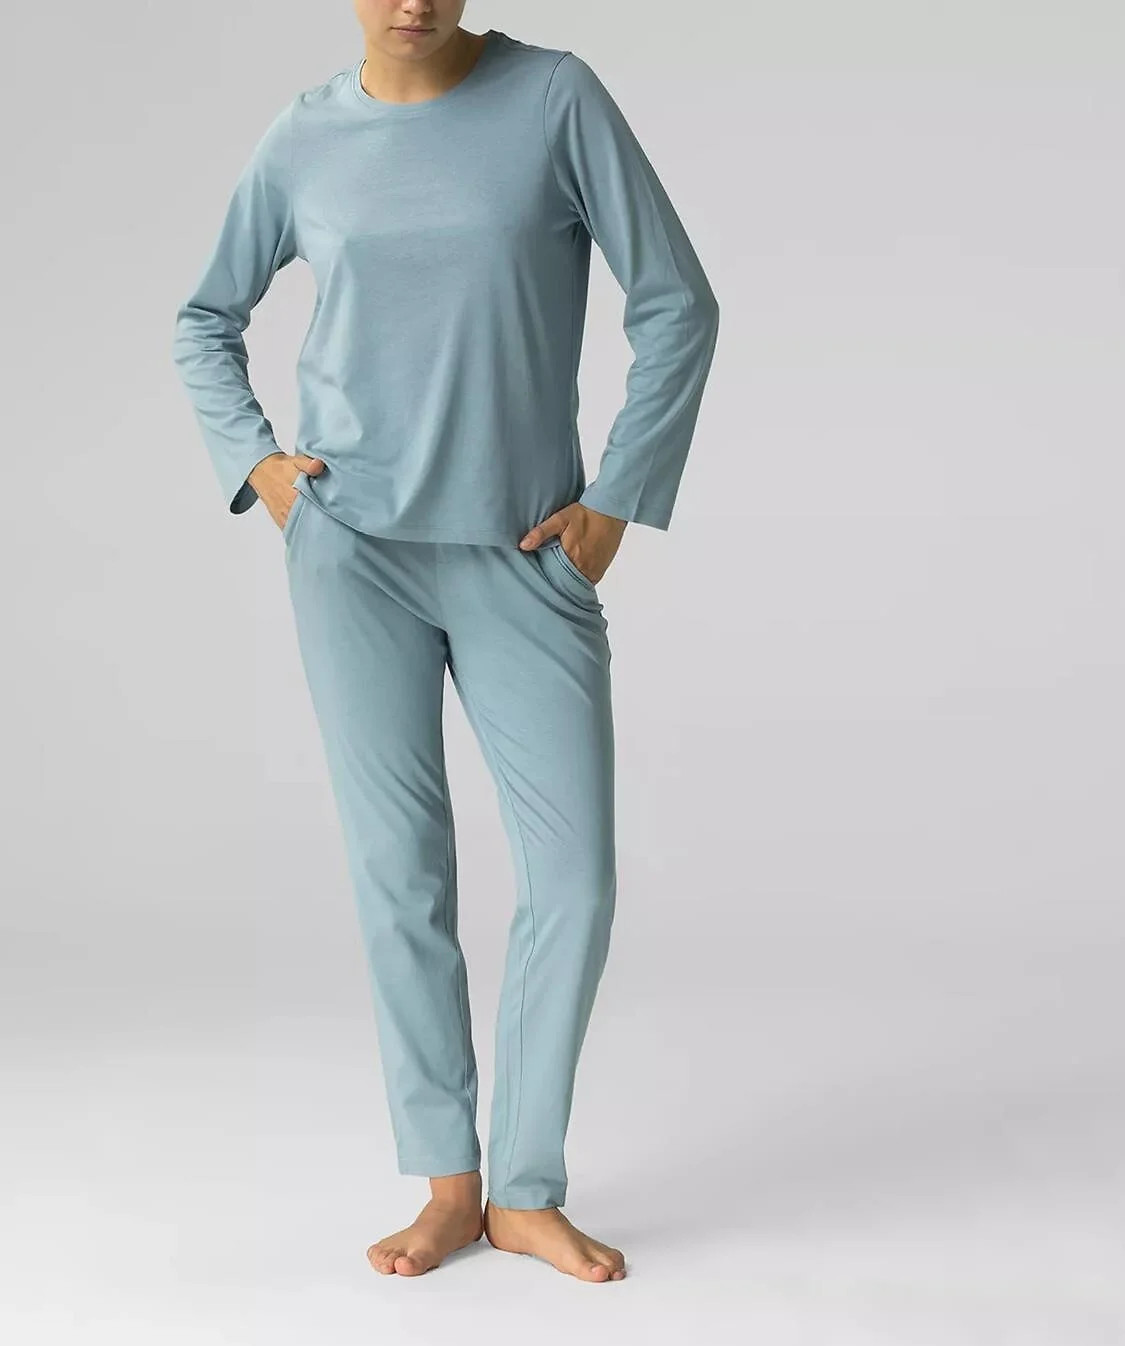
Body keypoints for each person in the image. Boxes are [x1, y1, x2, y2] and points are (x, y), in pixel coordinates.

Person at [171, 0, 719, 1284]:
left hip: (522, 550)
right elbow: (204, 316)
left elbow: (677, 303)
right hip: (350, 555)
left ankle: (526, 1185)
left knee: (573, 879)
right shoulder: (304, 137)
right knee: (399, 872)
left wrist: (618, 497)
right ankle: (450, 1180)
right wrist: (261, 465)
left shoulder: (555, 100)